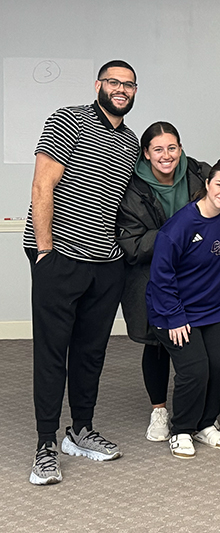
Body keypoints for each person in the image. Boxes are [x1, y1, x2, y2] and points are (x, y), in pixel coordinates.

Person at [25, 60, 139, 485]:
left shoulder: (131, 141)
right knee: (52, 353)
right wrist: (45, 251)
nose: (121, 89)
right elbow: (43, 185)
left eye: (129, 84)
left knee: (90, 353)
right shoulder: (68, 120)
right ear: (98, 85)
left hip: (105, 264)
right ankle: (45, 445)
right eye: (113, 82)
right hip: (59, 258)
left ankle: (80, 431)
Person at [116, 122, 209, 443]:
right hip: (151, 276)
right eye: (158, 149)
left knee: (198, 347)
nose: (166, 155)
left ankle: (201, 415)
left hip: (196, 276)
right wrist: (177, 235)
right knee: (156, 344)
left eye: (172, 148)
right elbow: (133, 244)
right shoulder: (131, 187)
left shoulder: (200, 174)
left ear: (180, 148)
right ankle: (159, 409)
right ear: (146, 153)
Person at [146, 159, 220, 459]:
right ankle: (182, 429)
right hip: (174, 311)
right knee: (195, 370)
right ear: (208, 184)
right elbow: (161, 276)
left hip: (215, 308)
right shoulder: (181, 225)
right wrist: (174, 317)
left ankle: (205, 423)